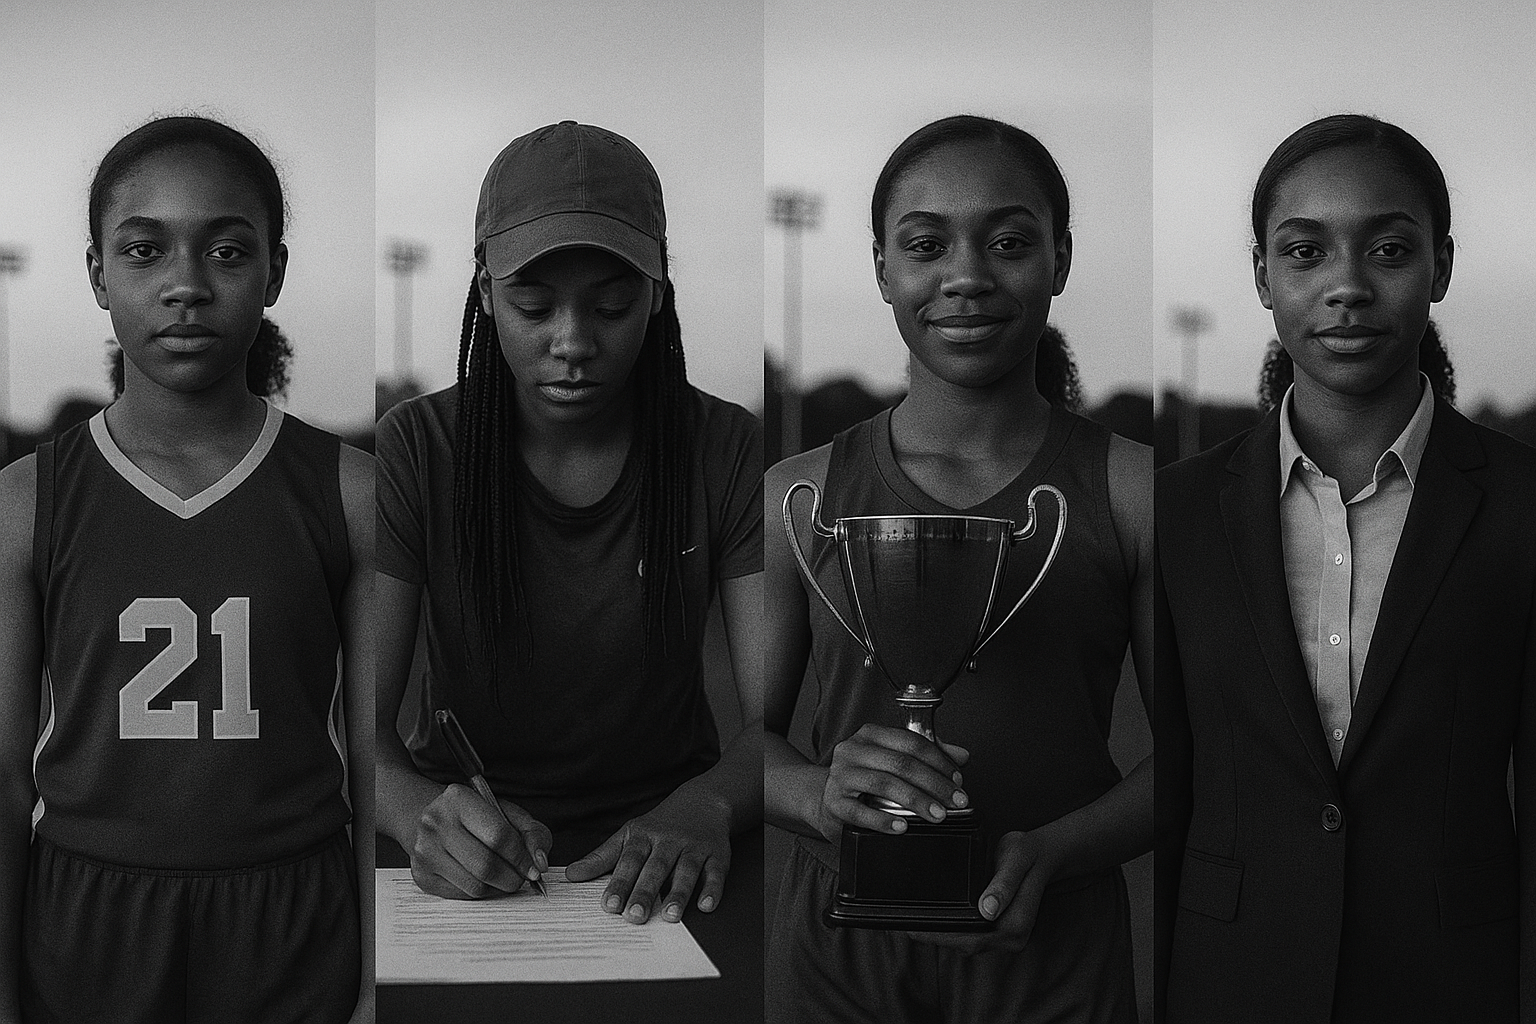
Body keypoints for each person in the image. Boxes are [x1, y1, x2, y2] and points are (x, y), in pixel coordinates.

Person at [763, 114, 1152, 1023]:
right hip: (836, 948)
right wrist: (821, 795)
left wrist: (1056, 852)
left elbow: (1198, 758)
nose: (967, 276)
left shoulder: (1133, 492)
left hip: (1052, 941)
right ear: (882, 266)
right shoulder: (800, 494)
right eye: (927, 244)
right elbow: (746, 745)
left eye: (1010, 241)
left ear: (1059, 257)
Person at [1154, 113, 1536, 1023]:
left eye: (1389, 250)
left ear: (1441, 265)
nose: (1348, 287)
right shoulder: (1176, 511)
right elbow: (1174, 795)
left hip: (1452, 985)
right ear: (1261, 277)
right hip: (1229, 983)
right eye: (1306, 253)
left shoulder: (1524, 504)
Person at [0, 115, 373, 1023]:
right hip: (88, 925)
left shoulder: (352, 492)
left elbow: (373, 767)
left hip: (293, 922)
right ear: (97, 274)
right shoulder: (25, 504)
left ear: (275, 270)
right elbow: (6, 776)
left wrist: (370, 987)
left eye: (227, 250)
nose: (186, 285)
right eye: (144, 250)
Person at [374, 121, 763, 926]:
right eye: (533, 303)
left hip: (671, 852)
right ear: (483, 291)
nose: (574, 342)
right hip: (462, 853)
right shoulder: (418, 448)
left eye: (613, 305)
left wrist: (712, 804)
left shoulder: (722, 448)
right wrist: (417, 814)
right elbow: (355, 726)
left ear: (660, 292)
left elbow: (778, 725)